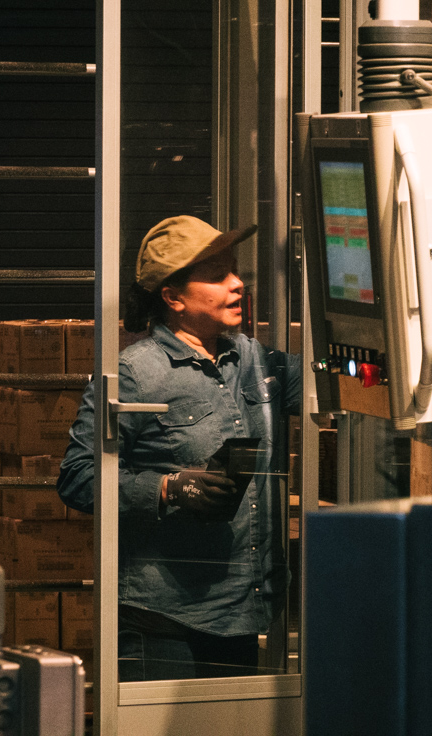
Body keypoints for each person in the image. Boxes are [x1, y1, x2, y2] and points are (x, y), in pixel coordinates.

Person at [57, 215, 302, 680]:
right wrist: (169, 488)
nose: (236, 285)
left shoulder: (250, 358)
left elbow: (330, 381)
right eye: (216, 275)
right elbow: (77, 478)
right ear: (173, 297)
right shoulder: (134, 372)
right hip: (164, 622)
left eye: (234, 271)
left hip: (245, 612)